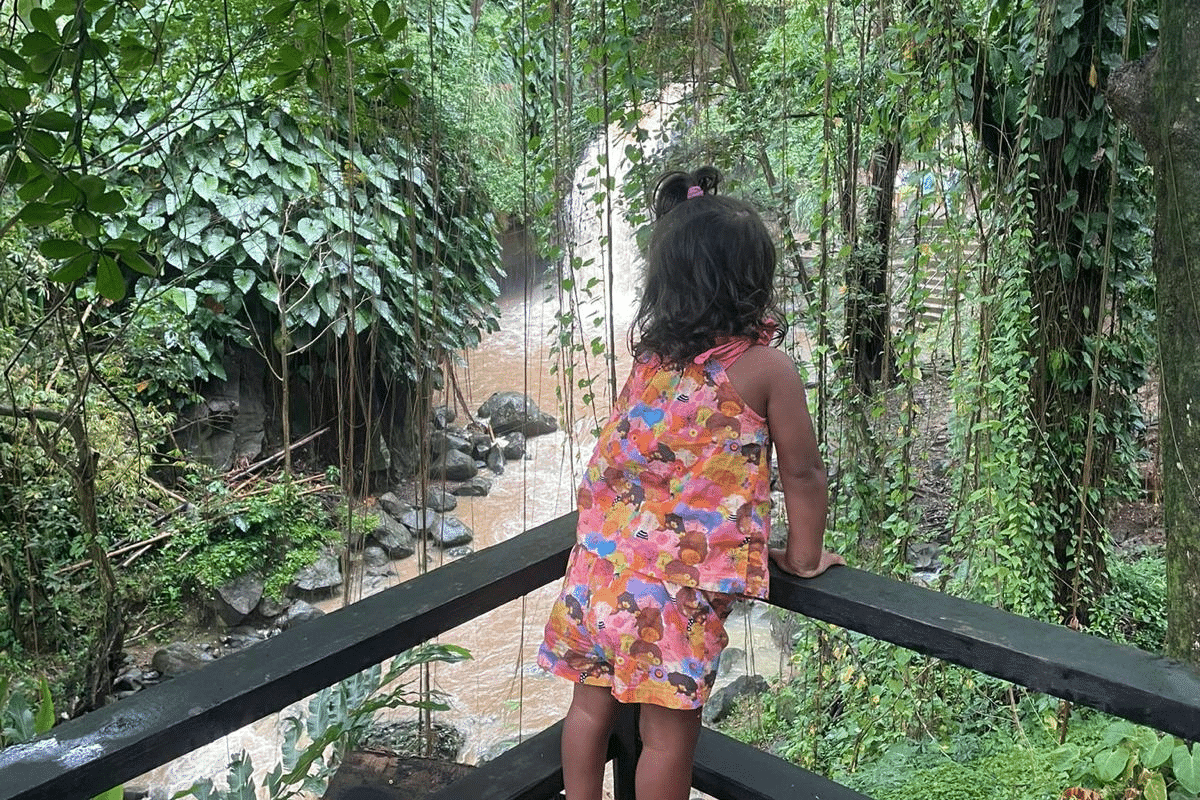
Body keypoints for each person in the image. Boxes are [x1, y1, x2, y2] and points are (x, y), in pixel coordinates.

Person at [537, 166, 844, 800]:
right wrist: (805, 557)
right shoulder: (766, 368)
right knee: (668, 735)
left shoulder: (651, 363)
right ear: (755, 280)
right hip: (676, 587)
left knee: (588, 709)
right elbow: (804, 473)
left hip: (598, 566)